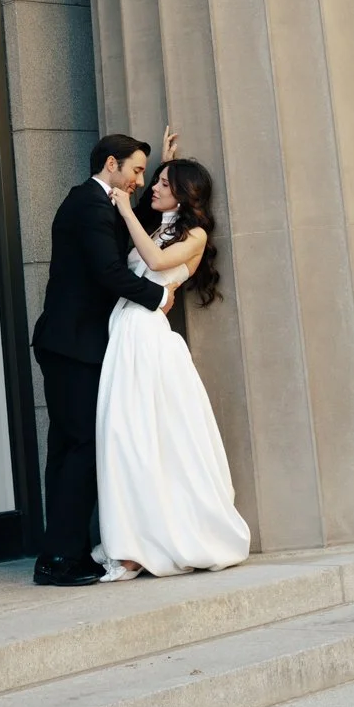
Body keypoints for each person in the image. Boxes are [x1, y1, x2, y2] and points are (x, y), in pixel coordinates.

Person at [94, 151, 251, 580]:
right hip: (125, 331)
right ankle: (133, 540)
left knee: (142, 435)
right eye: (155, 180)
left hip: (146, 335)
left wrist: (125, 207)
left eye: (163, 182)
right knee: (123, 436)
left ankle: (139, 547)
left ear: (182, 194)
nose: (153, 187)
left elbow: (158, 262)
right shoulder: (159, 225)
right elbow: (151, 233)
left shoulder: (196, 235)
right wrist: (164, 161)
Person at [31, 133, 175, 587]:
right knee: (81, 449)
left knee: (67, 451)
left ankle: (59, 552)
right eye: (135, 171)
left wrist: (165, 174)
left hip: (70, 345)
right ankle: (61, 560)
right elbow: (109, 271)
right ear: (110, 163)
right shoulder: (89, 205)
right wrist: (159, 295)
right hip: (72, 347)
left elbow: (133, 221)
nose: (138, 180)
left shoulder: (98, 201)